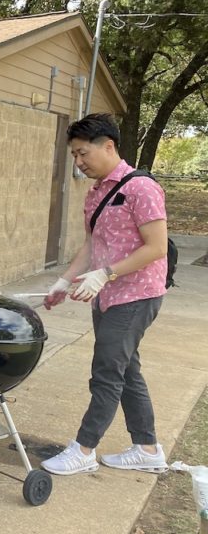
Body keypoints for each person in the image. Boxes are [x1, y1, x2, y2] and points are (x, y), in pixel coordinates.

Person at [40, 113, 170, 476]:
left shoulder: (141, 188)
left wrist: (106, 273)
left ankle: (83, 450)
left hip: (136, 295)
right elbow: (91, 245)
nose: (79, 162)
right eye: (74, 155)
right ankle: (147, 449)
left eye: (83, 153)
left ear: (108, 146)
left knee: (106, 372)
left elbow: (157, 247)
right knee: (127, 370)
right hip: (107, 296)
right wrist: (64, 281)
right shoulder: (96, 192)